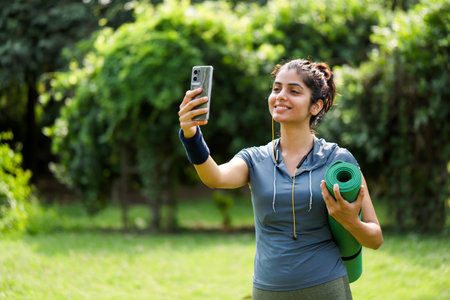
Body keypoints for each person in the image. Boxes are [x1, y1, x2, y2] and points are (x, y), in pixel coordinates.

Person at [178, 58, 383, 299]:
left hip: (326, 288)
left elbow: (375, 238)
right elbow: (214, 176)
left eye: (293, 91)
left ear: (315, 106)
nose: (281, 96)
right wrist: (191, 134)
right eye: (276, 88)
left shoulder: (338, 160)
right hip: (268, 290)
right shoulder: (255, 158)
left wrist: (351, 221)